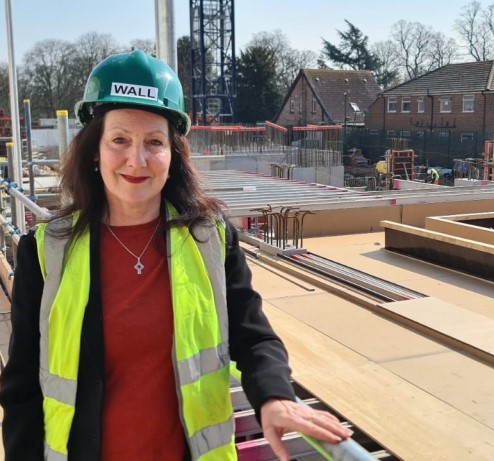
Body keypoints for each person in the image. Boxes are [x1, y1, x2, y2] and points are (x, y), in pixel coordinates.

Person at [0, 50, 352, 461]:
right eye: (120, 140)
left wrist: (275, 396)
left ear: (173, 153)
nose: (137, 159)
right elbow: (22, 386)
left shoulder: (210, 239)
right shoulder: (46, 250)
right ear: (95, 150)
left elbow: (252, 335)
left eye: (154, 142)